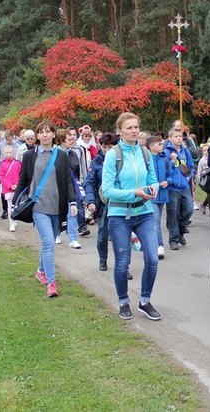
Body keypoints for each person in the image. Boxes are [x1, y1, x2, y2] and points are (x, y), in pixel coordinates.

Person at [101, 112, 162, 321]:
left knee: (153, 258)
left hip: (144, 212)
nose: (134, 131)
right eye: (129, 127)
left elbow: (153, 179)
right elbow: (107, 190)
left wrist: (153, 189)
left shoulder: (144, 152)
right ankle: (123, 301)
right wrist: (134, 192)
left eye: (136, 127)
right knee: (122, 262)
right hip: (119, 215)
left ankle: (145, 301)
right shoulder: (113, 155)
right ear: (120, 131)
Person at [12, 120, 78, 298]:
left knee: (48, 242)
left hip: (58, 207)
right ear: (37, 136)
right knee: (49, 243)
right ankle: (51, 282)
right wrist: (15, 201)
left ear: (54, 134)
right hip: (39, 207)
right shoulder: (29, 156)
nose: (45, 135)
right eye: (41, 132)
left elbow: (68, 181)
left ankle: (41, 270)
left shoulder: (61, 155)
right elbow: (23, 180)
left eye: (48, 131)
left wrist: (73, 202)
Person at [85, 132, 118, 271]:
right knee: (102, 235)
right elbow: (89, 183)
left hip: (119, 202)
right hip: (103, 203)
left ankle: (122, 265)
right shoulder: (96, 162)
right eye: (105, 147)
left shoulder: (121, 162)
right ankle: (103, 259)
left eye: (111, 147)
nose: (107, 150)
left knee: (120, 235)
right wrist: (91, 201)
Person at [56, 126, 89, 248]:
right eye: (68, 138)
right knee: (59, 211)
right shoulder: (55, 154)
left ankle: (73, 239)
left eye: (72, 137)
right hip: (58, 186)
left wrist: (80, 183)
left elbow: (78, 171)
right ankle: (57, 233)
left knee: (73, 211)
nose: (71, 139)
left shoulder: (74, 153)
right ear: (61, 140)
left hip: (71, 186)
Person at [164, 127, 194, 251]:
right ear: (170, 138)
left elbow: (191, 166)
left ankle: (180, 230)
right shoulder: (166, 152)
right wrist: (172, 160)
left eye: (180, 136)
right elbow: (165, 169)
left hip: (184, 187)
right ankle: (174, 239)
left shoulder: (185, 152)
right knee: (173, 214)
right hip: (172, 188)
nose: (179, 139)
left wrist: (189, 177)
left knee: (189, 210)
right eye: (176, 136)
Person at [147, 135, 171, 259]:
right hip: (151, 195)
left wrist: (167, 181)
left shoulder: (164, 159)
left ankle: (149, 242)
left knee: (155, 220)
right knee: (155, 220)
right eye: (159, 144)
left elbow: (170, 174)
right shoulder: (146, 159)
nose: (162, 146)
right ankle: (159, 245)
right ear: (152, 147)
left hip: (163, 194)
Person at [0, 145, 22, 232]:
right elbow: (1, 177)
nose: (8, 154)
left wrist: (16, 184)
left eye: (10, 152)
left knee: (16, 205)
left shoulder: (18, 163)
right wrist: (9, 185)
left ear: (13, 153)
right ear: (4, 154)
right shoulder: (2, 164)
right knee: (9, 205)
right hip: (7, 188)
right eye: (7, 153)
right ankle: (11, 223)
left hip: (17, 187)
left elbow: (21, 175)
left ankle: (15, 218)